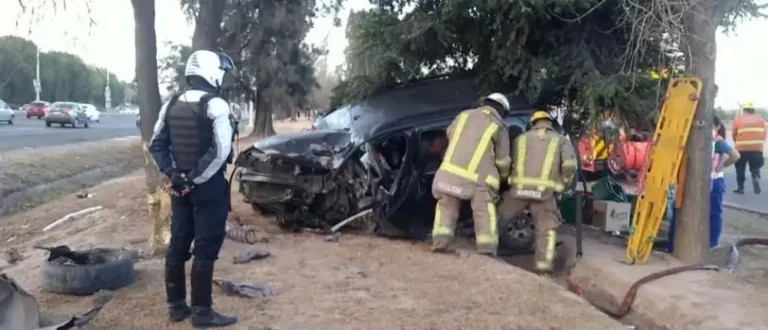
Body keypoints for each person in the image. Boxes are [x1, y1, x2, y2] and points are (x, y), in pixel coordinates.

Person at [149, 50, 238, 328]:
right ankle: (202, 312)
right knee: (205, 248)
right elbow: (220, 151)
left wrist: (175, 176)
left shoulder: (171, 104)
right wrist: (194, 179)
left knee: (178, 243)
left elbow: (157, 144)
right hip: (207, 189)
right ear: (213, 72)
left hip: (180, 190)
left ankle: (176, 306)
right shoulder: (217, 106)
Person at [430, 93, 512, 256]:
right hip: (477, 180)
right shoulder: (498, 126)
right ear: (502, 111)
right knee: (483, 211)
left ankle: (440, 242)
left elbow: (449, 133)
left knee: (446, 207)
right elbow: (503, 160)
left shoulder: (463, 115)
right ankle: (486, 250)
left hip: (449, 173)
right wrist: (504, 177)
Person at [497, 110, 577, 275]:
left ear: (533, 123)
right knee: (546, 231)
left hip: (518, 192)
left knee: (497, 218)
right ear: (550, 123)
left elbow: (510, 162)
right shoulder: (561, 141)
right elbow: (569, 166)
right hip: (544, 194)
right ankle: (544, 269)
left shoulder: (520, 139)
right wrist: (564, 183)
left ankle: (485, 252)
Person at [668, 116, 739, 251]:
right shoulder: (713, 141)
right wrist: (721, 166)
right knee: (709, 212)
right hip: (705, 180)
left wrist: (720, 167)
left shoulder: (710, 141)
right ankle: (709, 243)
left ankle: (708, 243)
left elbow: (735, 155)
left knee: (692, 210)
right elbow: (735, 156)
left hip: (703, 180)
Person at [731, 101, 765, 194]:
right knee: (755, 167)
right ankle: (755, 176)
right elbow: (764, 135)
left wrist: (738, 143)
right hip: (757, 149)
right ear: (753, 110)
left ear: (744, 110)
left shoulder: (738, 120)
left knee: (740, 168)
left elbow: (734, 135)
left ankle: (740, 187)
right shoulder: (761, 120)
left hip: (741, 149)